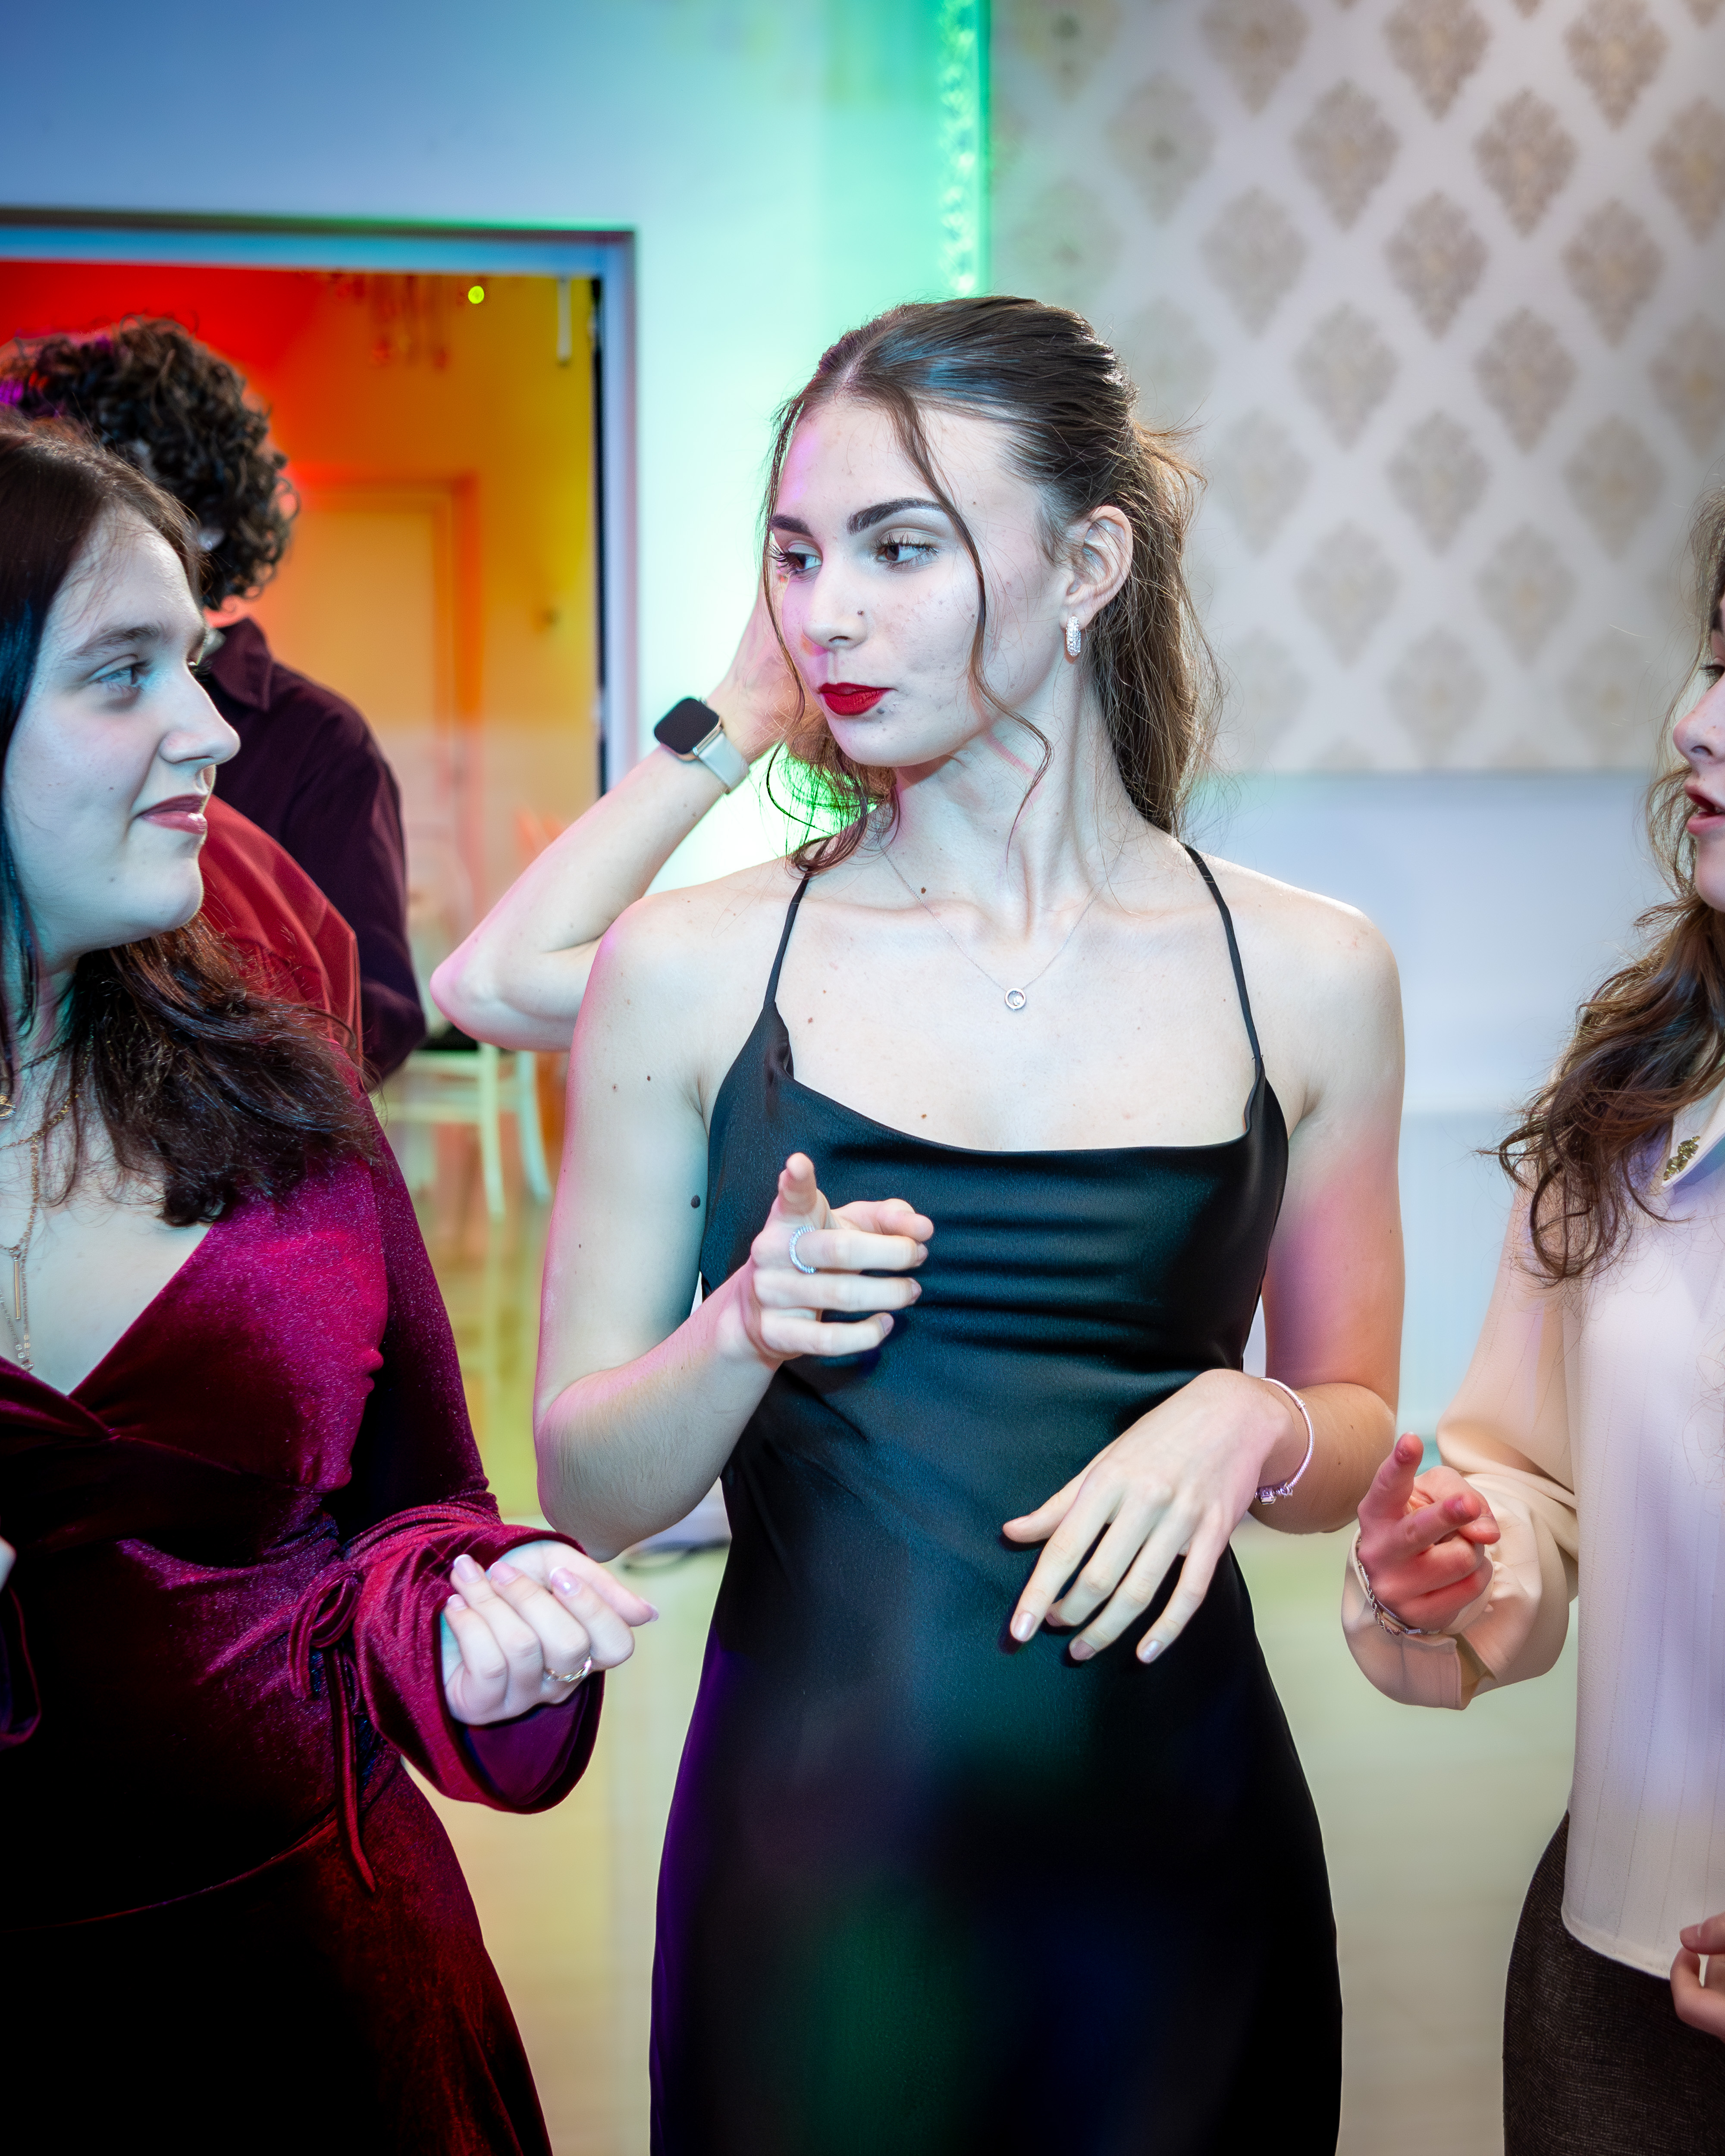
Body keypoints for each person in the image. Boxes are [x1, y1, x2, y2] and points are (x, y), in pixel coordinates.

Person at [527, 296, 1404, 2153]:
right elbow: (586, 1484)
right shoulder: (688, 968)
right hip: (818, 1885)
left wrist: (1251, 1415)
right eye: (794, 555)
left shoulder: (1310, 972)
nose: (823, 616)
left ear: (1088, 566)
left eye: (897, 548)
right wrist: (740, 1328)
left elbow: (1345, 1435)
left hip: (1177, 1878)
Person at [0, 413, 655, 2152]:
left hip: (325, 1993)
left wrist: (474, 1631)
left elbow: (414, 1516)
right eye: (122, 673)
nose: (212, 728)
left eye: (194, 662)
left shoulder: (276, 1091)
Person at [1347, 489, 1725, 2155]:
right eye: (1714, 655)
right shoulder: (1641, 1092)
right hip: (1615, 1978)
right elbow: (1539, 1473)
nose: (1693, 722)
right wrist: (1463, 1551)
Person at [0, 317, 426, 1079]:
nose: (88, 510)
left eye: (119, 476)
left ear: (213, 522)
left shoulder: (319, 742)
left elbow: (376, 1008)